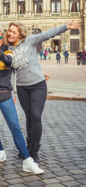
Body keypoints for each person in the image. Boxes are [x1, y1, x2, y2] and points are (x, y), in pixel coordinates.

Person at [5, 20, 80, 163]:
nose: (10, 34)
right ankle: (27, 148)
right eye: (9, 31)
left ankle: (34, 151)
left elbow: (48, 34)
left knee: (35, 116)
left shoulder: (30, 40)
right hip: (22, 87)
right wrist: (12, 92)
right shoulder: (8, 50)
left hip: (37, 85)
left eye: (14, 32)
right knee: (28, 117)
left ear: (20, 34)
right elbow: (10, 73)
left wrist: (66, 27)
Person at [0, 26, 44, 174]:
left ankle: (28, 161)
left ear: (3, 37)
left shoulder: (8, 51)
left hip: (3, 93)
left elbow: (8, 61)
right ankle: (0, 151)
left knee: (15, 128)